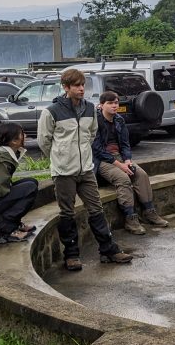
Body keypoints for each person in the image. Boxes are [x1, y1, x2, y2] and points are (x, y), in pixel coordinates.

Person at [37, 68, 132, 272]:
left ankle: (108, 250)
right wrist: (60, 158)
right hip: (64, 171)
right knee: (67, 212)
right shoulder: (51, 111)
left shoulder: (90, 108)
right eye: (77, 86)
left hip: (86, 169)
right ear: (66, 87)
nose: (81, 89)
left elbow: (91, 134)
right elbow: (44, 141)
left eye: (83, 85)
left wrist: (83, 157)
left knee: (96, 208)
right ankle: (71, 255)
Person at [93, 91, 169, 234]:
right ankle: (130, 219)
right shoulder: (96, 122)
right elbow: (97, 150)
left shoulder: (119, 120)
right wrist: (119, 165)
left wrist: (127, 160)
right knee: (123, 179)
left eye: (116, 102)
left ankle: (149, 212)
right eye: (110, 103)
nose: (114, 106)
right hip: (103, 160)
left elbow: (125, 144)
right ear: (101, 105)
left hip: (120, 158)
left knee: (141, 175)